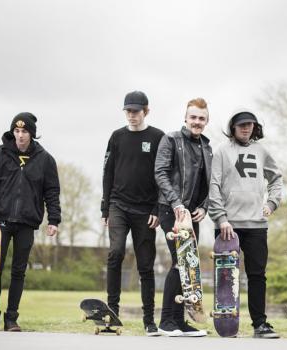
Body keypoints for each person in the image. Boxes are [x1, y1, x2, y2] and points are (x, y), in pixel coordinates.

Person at [208, 110, 283, 338]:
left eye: (250, 125)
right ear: (233, 127)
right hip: (228, 226)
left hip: (256, 225)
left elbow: (276, 177)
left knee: (257, 275)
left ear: (255, 127)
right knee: (227, 276)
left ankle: (260, 324)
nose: (246, 128)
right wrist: (221, 218)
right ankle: (227, 325)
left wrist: (271, 203)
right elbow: (214, 186)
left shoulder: (261, 151)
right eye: (241, 125)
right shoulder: (222, 151)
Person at [0, 112, 61, 331]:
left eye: (24, 131)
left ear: (32, 134)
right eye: (16, 131)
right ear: (13, 132)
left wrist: (54, 220)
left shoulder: (45, 159)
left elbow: (52, 192)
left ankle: (12, 318)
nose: (20, 136)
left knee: (18, 272)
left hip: (27, 223)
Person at [101, 91, 164, 336]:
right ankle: (111, 313)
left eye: (136, 111)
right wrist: (105, 207)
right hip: (118, 205)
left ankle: (149, 320)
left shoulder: (158, 137)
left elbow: (163, 175)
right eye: (128, 111)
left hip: (146, 210)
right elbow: (107, 173)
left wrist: (158, 208)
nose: (132, 115)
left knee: (146, 266)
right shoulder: (116, 137)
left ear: (146, 111)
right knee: (115, 253)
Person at [154, 98, 212, 337]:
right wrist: (176, 203)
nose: (197, 122)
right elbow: (160, 172)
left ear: (206, 121)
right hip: (171, 210)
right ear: (185, 118)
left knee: (188, 267)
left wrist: (204, 206)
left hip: (192, 216)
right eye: (193, 117)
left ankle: (179, 321)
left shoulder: (207, 147)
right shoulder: (171, 140)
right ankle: (167, 320)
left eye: (201, 118)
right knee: (180, 263)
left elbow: (208, 183)